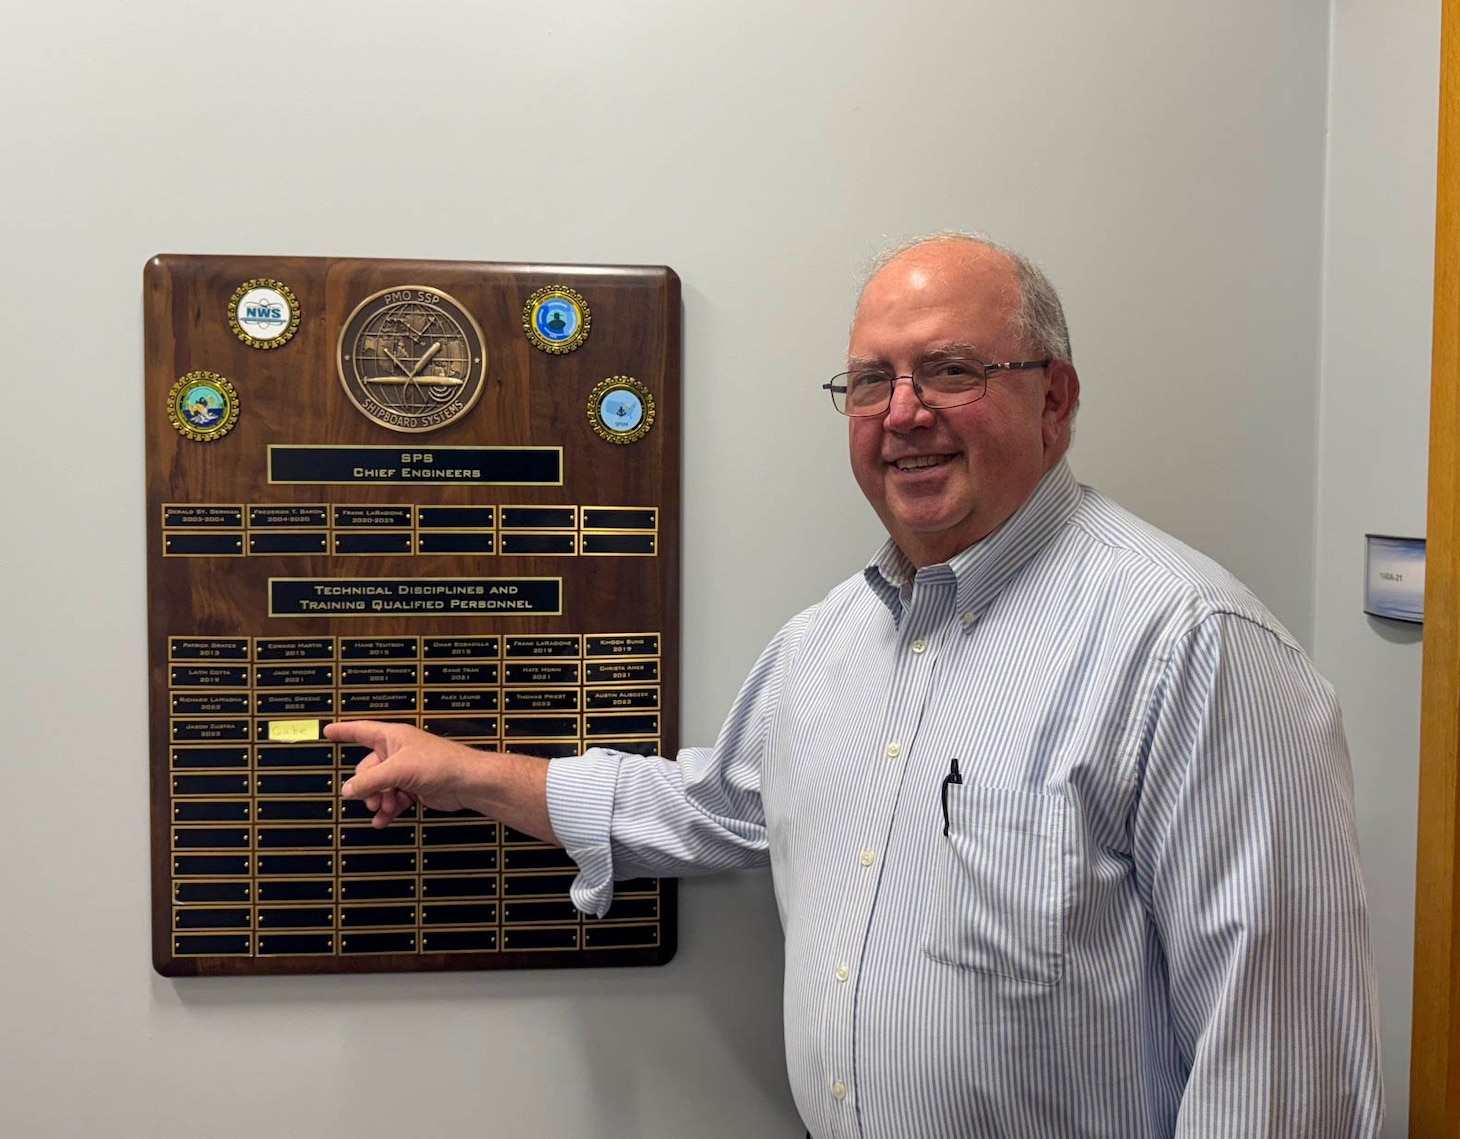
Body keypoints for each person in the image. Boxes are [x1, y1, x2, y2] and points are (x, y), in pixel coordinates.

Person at [328, 234, 1383, 1138]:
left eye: (951, 371)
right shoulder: (826, 642)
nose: (902, 413)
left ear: (1053, 397)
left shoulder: (1188, 644)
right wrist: (464, 772)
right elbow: (713, 808)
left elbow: (1283, 1070)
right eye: (870, 381)